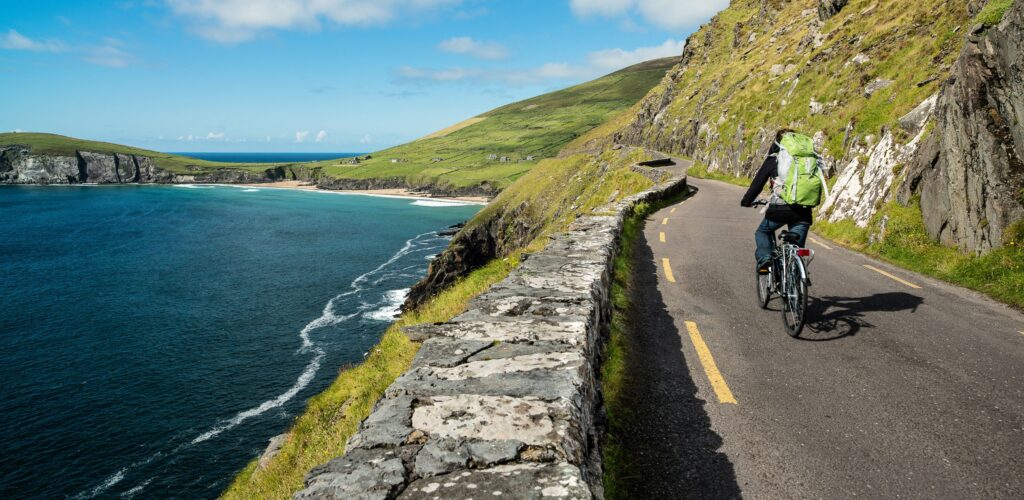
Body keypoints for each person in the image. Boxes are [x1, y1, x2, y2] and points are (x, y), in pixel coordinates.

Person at [740, 129, 813, 274]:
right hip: (803, 212)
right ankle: (797, 284)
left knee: (762, 232)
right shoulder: (807, 161)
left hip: (779, 210)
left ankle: (765, 258)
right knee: (796, 250)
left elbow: (757, 184)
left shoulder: (774, 158)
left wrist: (746, 201)